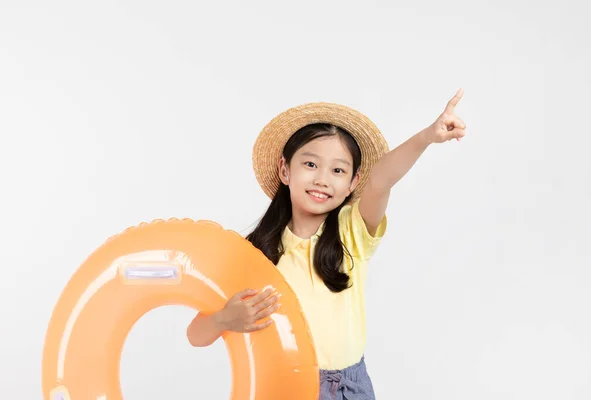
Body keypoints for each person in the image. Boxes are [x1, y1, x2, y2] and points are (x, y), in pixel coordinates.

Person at [187, 90, 467, 399]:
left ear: (352, 183)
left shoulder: (352, 233)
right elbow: (196, 334)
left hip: (348, 388)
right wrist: (225, 318)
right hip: (281, 386)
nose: (323, 179)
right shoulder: (255, 253)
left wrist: (426, 137)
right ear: (285, 170)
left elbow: (382, 180)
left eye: (337, 170)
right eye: (310, 164)